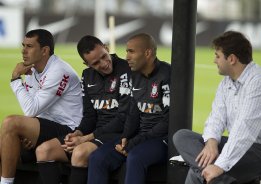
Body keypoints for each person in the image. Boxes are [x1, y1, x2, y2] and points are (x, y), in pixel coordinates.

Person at [173, 31, 261, 184]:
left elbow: (244, 131)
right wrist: (211, 143)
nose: (214, 61)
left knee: (197, 168)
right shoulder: (226, 82)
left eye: (217, 56)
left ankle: (220, 179)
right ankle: (222, 181)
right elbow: (216, 118)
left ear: (231, 59)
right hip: (243, 146)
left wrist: (219, 166)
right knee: (182, 137)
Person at [35, 35, 131, 184]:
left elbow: (123, 118)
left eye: (104, 57)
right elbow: (89, 115)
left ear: (106, 48)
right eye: (96, 63)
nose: (104, 64)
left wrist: (85, 138)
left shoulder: (127, 70)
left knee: (80, 153)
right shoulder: (87, 76)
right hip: (95, 133)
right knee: (44, 151)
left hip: (118, 133)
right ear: (86, 64)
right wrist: (78, 133)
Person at [0, 29, 83, 184]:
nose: (23, 51)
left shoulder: (59, 71)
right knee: (4, 140)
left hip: (70, 129)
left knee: (10, 122)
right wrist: (29, 133)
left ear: (44, 50)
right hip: (49, 125)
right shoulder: (33, 70)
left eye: (29, 46)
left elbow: (30, 109)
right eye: (23, 45)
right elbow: (34, 112)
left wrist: (15, 79)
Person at [87, 33, 171, 184]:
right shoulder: (134, 75)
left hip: (162, 140)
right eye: (126, 52)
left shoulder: (167, 75)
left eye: (131, 51)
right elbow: (133, 112)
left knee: (135, 157)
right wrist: (126, 137)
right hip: (138, 137)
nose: (126, 57)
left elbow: (168, 120)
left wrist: (136, 141)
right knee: (97, 158)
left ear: (147, 53)